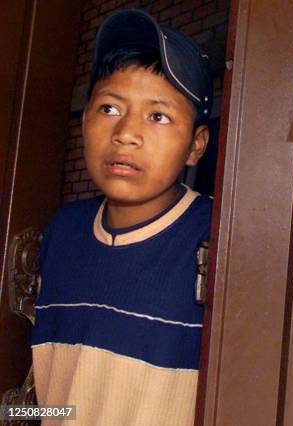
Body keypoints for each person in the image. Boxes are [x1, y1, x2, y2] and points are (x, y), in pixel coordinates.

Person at [30, 9, 213, 425]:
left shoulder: (217, 235)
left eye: (158, 116)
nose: (126, 133)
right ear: (84, 121)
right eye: (110, 108)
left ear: (195, 146)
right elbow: (54, 392)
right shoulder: (64, 232)